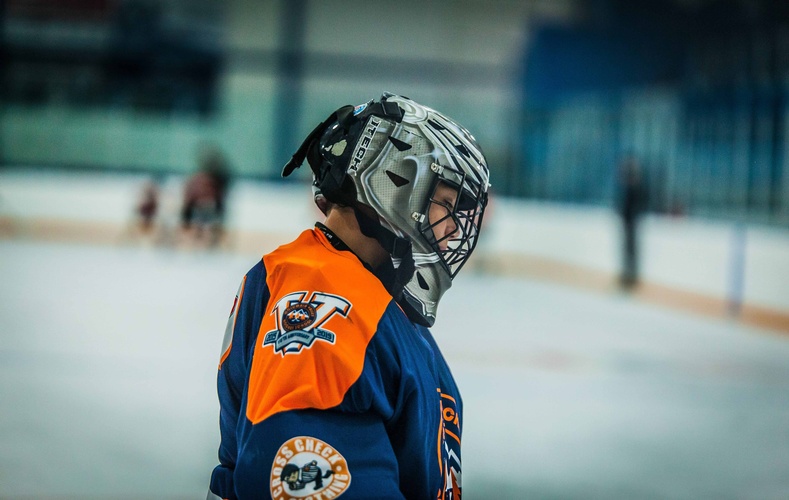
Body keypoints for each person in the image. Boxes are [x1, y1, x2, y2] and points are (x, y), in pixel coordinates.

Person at [207, 93, 490, 499]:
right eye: (442, 205)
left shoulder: (367, 290)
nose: (451, 231)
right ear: (394, 185)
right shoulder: (327, 298)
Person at [617, 155, 647, 289]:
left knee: (631, 251)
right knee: (627, 251)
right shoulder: (628, 187)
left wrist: (631, 216)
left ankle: (631, 278)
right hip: (628, 223)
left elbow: (638, 206)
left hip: (632, 224)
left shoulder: (636, 188)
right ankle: (628, 276)